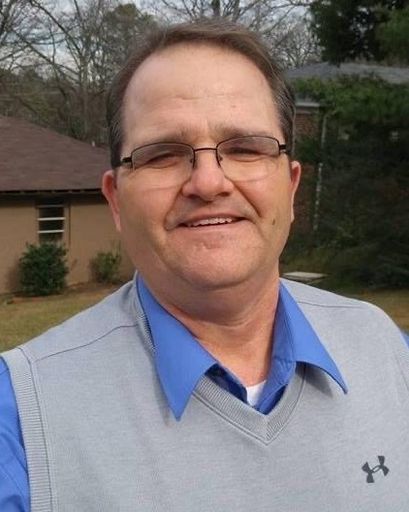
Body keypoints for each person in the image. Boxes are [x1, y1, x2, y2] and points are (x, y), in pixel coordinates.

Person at [1, 19, 408, 512]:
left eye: (245, 148)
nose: (209, 182)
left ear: (291, 187)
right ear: (116, 200)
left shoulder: (388, 351)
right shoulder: (22, 418)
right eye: (163, 155)